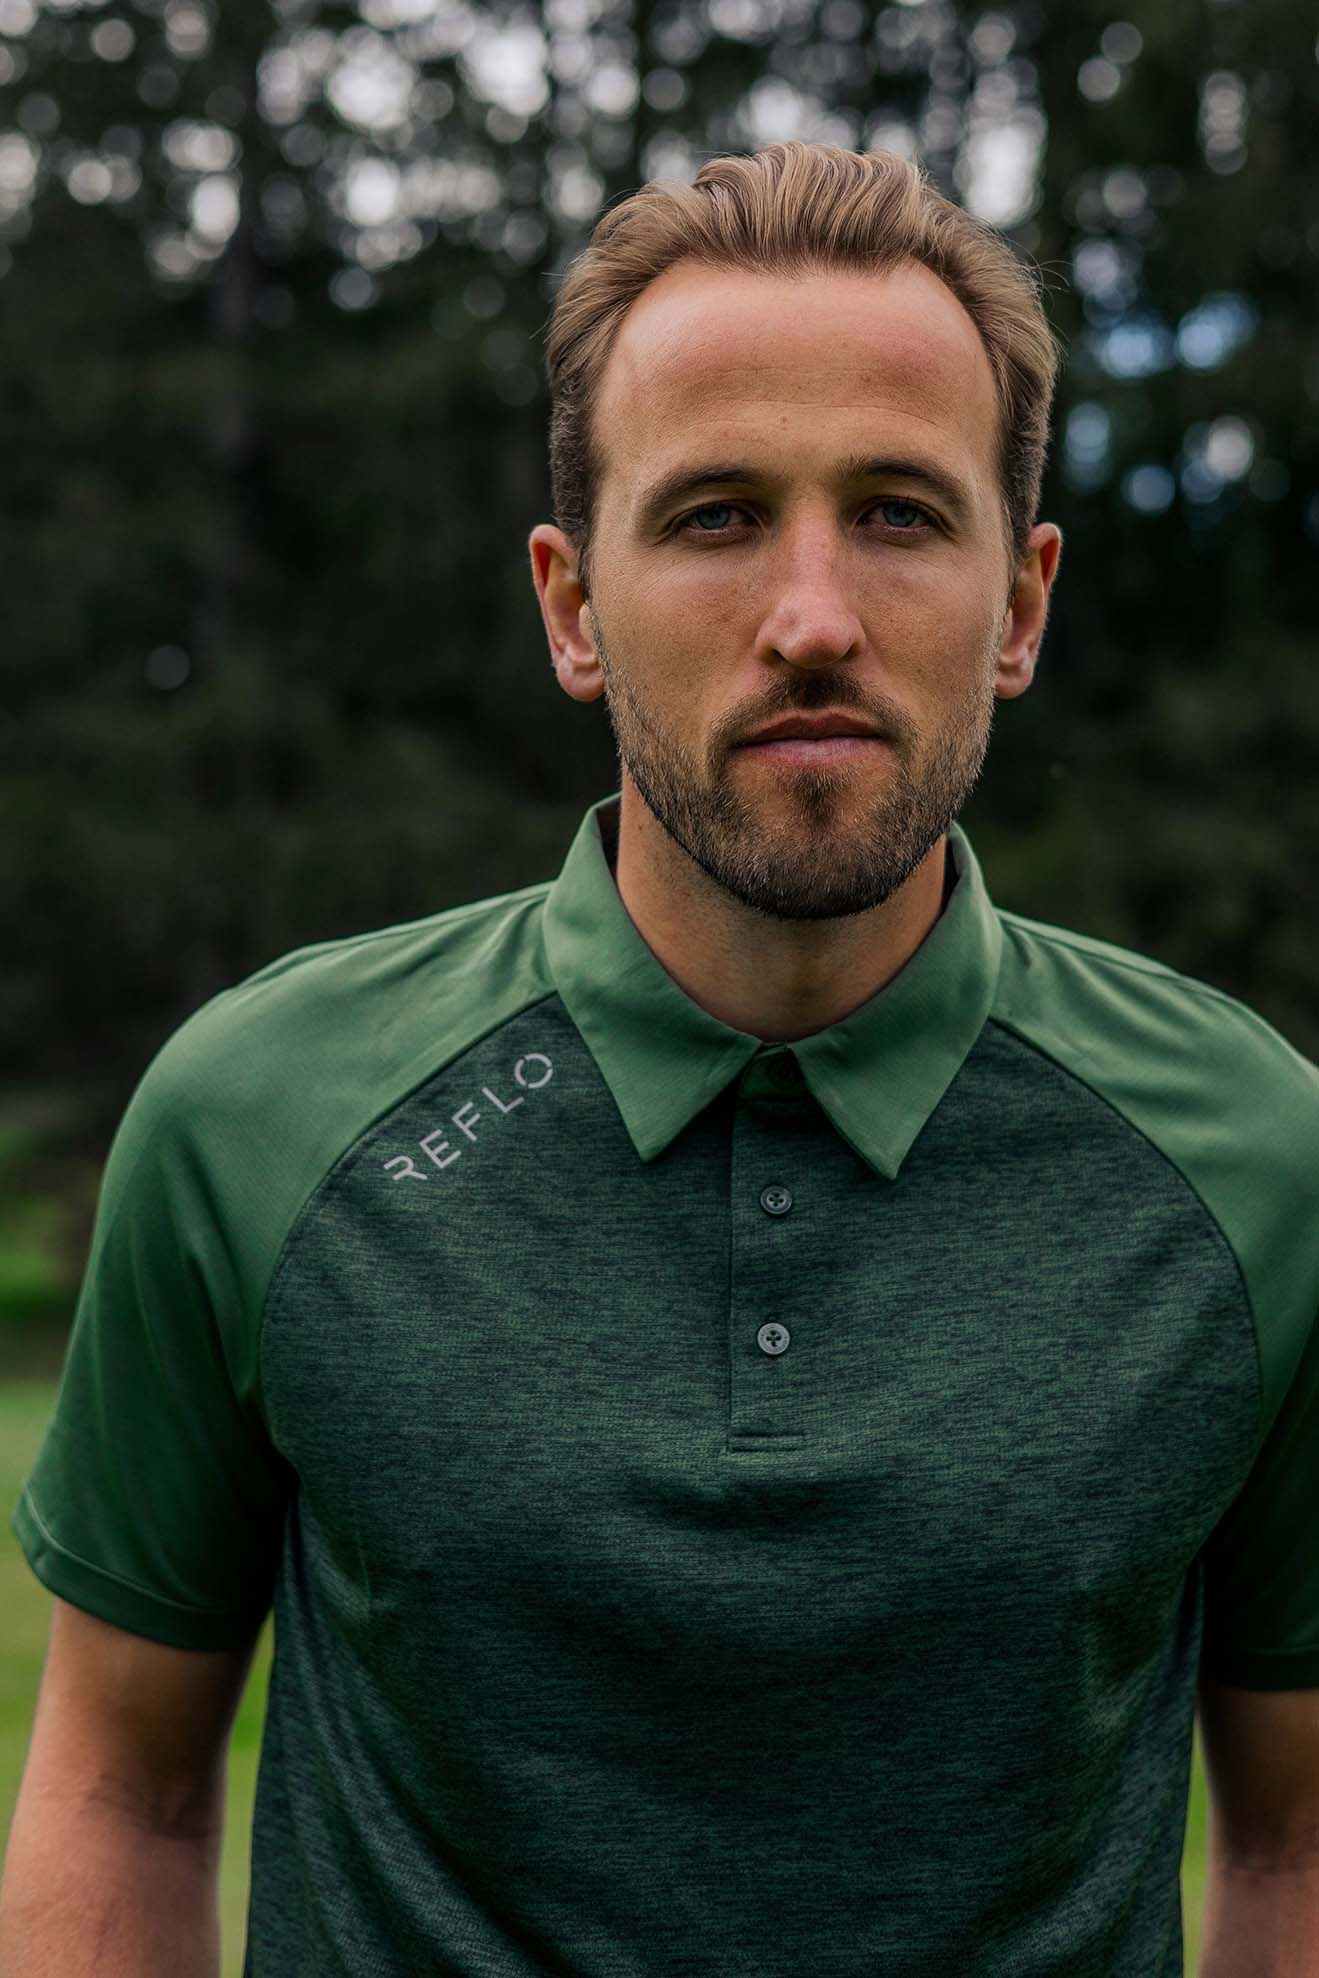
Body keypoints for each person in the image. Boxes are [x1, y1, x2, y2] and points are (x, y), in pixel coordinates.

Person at [3, 140, 1318, 1978]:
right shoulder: (258, 1117)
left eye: (899, 512)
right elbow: (121, 1784)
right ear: (571, 604)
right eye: (714, 515)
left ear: (1020, 606)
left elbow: (1297, 1834)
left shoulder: (1261, 1162)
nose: (812, 616)